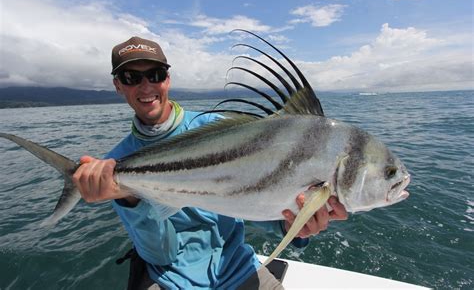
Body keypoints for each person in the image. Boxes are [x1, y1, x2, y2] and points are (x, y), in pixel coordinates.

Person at [72, 36, 348, 289]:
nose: (146, 86)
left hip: (237, 269)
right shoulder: (114, 165)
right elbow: (161, 254)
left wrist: (293, 224)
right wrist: (130, 201)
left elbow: (258, 199)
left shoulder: (216, 128)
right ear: (117, 85)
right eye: (131, 77)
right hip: (172, 282)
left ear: (167, 79)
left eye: (155, 75)